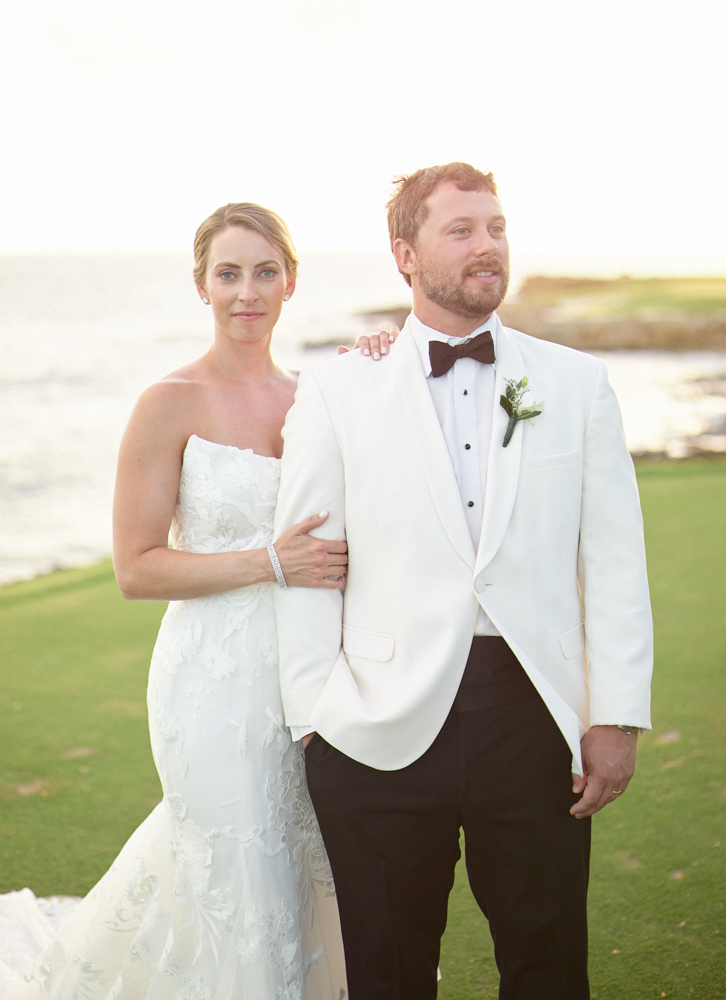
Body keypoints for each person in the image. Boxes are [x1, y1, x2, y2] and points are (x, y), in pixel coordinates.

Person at [0, 203, 393, 999]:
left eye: (264, 272)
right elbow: (136, 568)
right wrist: (270, 561)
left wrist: (378, 359)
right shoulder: (167, 402)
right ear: (200, 286)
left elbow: (383, 468)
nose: (247, 291)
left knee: (299, 867)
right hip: (209, 681)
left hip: (306, 682)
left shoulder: (319, 395)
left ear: (291, 282)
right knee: (238, 864)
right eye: (228, 273)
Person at [273, 162, 654, 999]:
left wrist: (617, 714)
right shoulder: (339, 388)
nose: (488, 246)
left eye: (497, 227)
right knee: (389, 970)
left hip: (532, 716)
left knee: (548, 961)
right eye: (462, 230)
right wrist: (315, 716)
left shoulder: (576, 384)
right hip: (376, 724)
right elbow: (306, 556)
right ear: (404, 255)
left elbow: (615, 561)